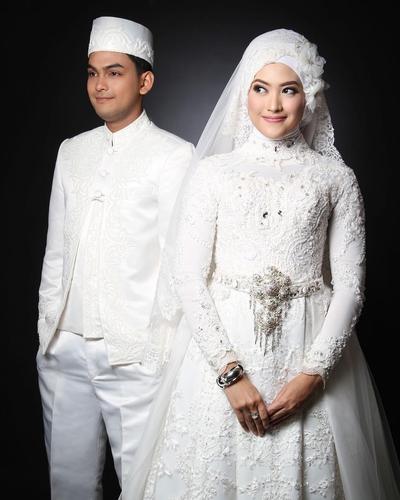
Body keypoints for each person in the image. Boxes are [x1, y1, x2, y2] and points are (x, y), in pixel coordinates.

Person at [124, 29, 400, 499]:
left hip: (309, 350)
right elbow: (188, 275)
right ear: (244, 94)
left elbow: (351, 287)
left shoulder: (336, 178)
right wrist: (230, 375)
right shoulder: (213, 173)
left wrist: (313, 374)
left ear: (308, 96)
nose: (273, 104)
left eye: (288, 89)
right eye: (260, 88)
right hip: (221, 355)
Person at [36, 15, 193, 499]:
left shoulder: (174, 155)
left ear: (145, 81)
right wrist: (47, 329)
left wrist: (158, 350)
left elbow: (178, 264)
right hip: (64, 348)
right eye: (92, 73)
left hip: (133, 354)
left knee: (145, 487)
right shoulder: (71, 151)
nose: (99, 85)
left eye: (114, 72)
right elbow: (55, 252)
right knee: (68, 485)